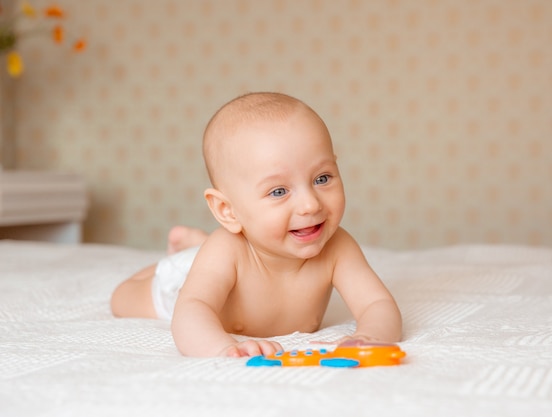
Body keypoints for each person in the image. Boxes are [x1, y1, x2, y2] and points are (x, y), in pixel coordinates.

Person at [110, 92, 402, 357]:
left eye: (322, 178)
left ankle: (193, 244)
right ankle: (187, 252)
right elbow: (191, 309)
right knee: (122, 299)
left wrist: (369, 336)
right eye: (278, 191)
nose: (311, 205)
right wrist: (224, 348)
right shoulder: (227, 249)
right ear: (228, 211)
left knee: (204, 261)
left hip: (215, 265)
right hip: (182, 285)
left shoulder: (338, 247)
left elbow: (377, 305)